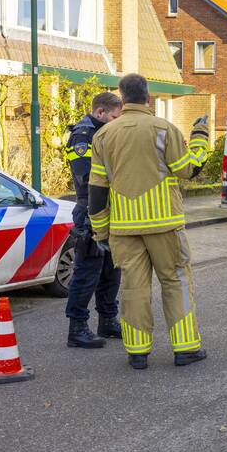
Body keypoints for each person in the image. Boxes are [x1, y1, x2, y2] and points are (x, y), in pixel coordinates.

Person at [88, 74, 211, 370]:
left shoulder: (103, 135)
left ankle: (138, 353)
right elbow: (189, 170)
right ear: (148, 98)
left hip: (124, 228)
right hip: (165, 224)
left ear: (122, 97)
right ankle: (185, 349)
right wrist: (200, 137)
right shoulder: (163, 129)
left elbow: (97, 188)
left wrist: (100, 230)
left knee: (133, 288)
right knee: (175, 281)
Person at [64, 92, 124, 349]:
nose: (115, 121)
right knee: (88, 272)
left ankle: (107, 320)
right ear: (99, 113)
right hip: (90, 211)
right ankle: (77, 328)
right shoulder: (83, 136)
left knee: (112, 270)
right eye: (113, 117)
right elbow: (87, 176)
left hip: (111, 211)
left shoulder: (106, 134)